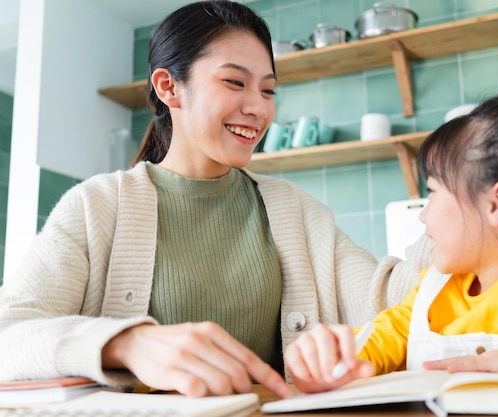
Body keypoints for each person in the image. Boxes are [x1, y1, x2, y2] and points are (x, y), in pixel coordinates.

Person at [0, 0, 432, 398]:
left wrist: (458, 197)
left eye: (267, 90)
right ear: (169, 87)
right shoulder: (97, 207)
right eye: (234, 82)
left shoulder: (297, 212)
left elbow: (390, 304)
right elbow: (9, 335)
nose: (258, 109)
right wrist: (127, 342)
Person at [284, 92, 498, 394]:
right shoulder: (433, 289)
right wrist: (328, 361)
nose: (423, 215)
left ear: (496, 203)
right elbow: (377, 341)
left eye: (432, 192)